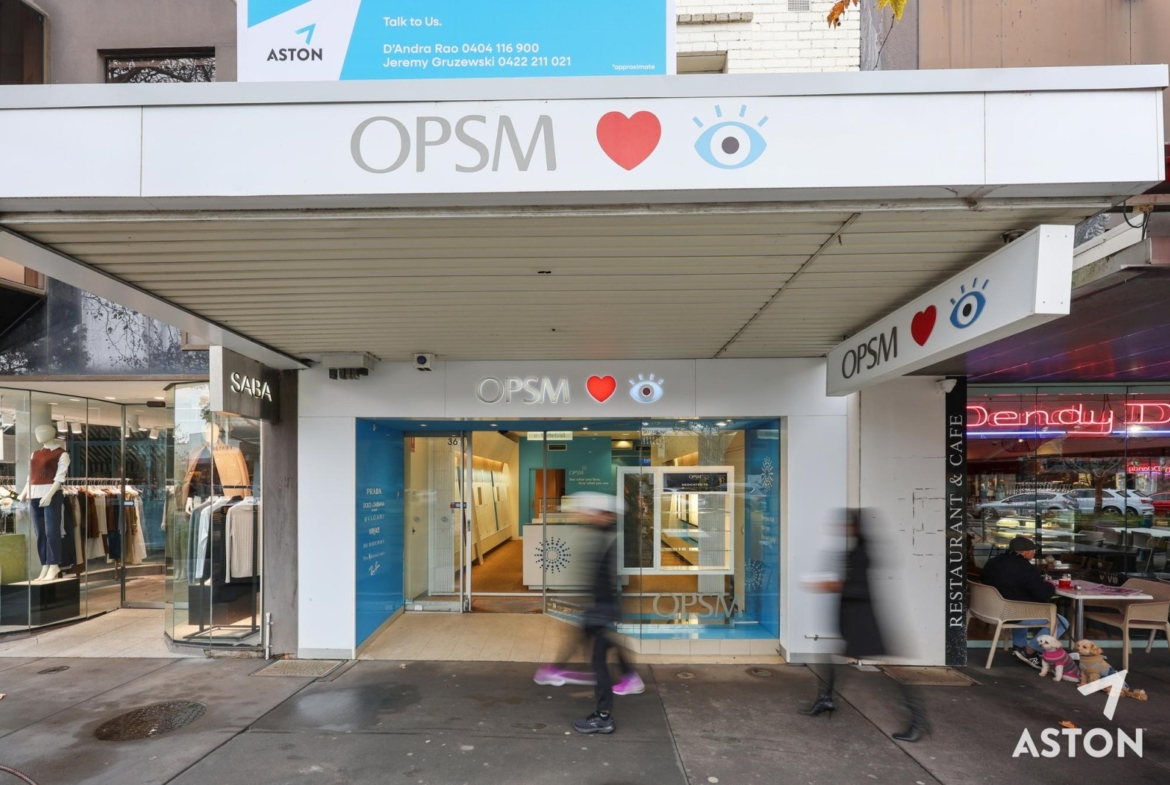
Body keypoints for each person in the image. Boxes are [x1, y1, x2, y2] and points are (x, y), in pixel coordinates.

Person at [800, 509, 929, 743]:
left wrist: (832, 585)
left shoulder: (862, 552)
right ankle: (826, 699)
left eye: (845, 525)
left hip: (863, 620)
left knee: (891, 668)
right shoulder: (856, 549)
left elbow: (860, 588)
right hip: (855, 618)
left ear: (855, 527)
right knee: (835, 657)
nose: (841, 529)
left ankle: (918, 720)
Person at [562, 492, 641, 735]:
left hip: (602, 611)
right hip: (602, 610)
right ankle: (629, 675)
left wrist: (595, 614)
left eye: (592, 512)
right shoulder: (604, 534)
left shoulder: (606, 539)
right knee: (603, 654)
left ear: (604, 515)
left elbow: (603, 582)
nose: (587, 515)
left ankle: (604, 717)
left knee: (599, 663)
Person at [980, 536, 1068, 669]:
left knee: (1022, 604)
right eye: (1033, 551)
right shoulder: (1025, 568)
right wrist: (1049, 585)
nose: (1034, 554)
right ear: (1026, 552)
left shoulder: (993, 562)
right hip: (1011, 613)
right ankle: (1029, 651)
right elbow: (1044, 593)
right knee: (1061, 622)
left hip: (990, 609)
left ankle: (1019, 647)